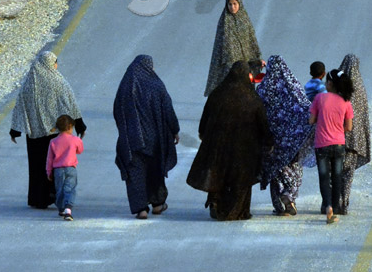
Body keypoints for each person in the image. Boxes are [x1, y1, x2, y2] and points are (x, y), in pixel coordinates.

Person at [187, 61, 273, 221]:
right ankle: (236, 211)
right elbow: (262, 122)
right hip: (244, 147)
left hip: (218, 144)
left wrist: (202, 132)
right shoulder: (251, 97)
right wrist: (268, 141)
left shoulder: (217, 93)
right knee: (240, 179)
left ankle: (215, 201)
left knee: (218, 172)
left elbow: (206, 116)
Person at [10, 51, 86, 209]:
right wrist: (79, 124)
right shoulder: (58, 81)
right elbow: (70, 104)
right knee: (55, 165)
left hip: (35, 135)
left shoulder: (29, 83)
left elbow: (21, 107)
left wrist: (15, 130)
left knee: (38, 166)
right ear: (51, 63)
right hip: (55, 134)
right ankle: (56, 197)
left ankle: (39, 198)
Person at [114, 55, 180, 219]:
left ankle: (141, 209)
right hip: (154, 139)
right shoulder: (156, 85)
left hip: (131, 140)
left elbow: (117, 111)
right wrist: (174, 129)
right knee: (155, 171)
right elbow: (168, 109)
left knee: (135, 174)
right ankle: (158, 204)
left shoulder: (125, 86)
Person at [255, 55, 314, 216]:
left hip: (272, 142)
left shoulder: (263, 89)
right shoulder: (292, 86)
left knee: (276, 172)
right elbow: (304, 106)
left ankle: (279, 207)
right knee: (294, 169)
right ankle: (290, 196)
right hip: (291, 142)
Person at [309, 69, 354, 224]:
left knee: (324, 177)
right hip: (339, 143)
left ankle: (327, 205)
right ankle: (335, 206)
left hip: (321, 144)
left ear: (329, 83)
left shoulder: (320, 98)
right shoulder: (346, 102)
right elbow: (348, 126)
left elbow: (311, 120)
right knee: (337, 176)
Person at [204, 0, 263, 97]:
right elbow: (219, 46)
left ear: (239, 4)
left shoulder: (245, 20)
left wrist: (257, 59)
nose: (232, 7)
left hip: (246, 64)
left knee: (246, 93)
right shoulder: (224, 22)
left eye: (235, 4)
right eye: (230, 4)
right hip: (229, 65)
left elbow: (251, 41)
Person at [337, 54, 371, 215]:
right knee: (348, 171)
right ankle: (345, 200)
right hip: (354, 138)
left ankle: (335, 199)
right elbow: (363, 114)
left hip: (337, 135)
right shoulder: (360, 87)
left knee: (335, 169)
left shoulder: (338, 86)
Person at [46, 115, 84, 221]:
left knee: (60, 189)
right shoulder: (75, 140)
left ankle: (61, 208)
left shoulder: (53, 141)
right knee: (70, 189)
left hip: (58, 169)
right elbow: (80, 150)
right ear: (70, 127)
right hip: (71, 168)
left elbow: (49, 159)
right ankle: (68, 208)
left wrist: (49, 172)